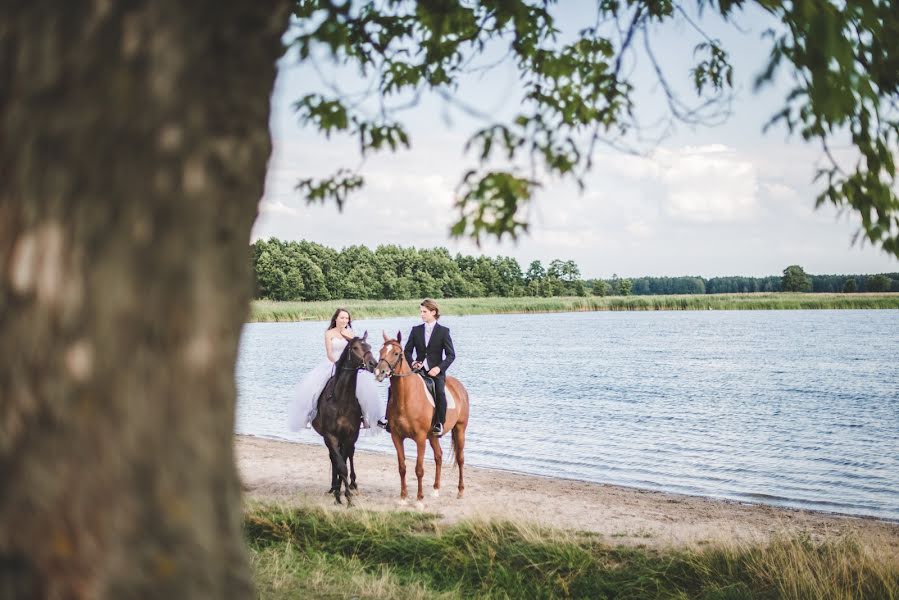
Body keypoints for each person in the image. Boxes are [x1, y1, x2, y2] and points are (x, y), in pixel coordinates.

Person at [287, 308, 382, 434]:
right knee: (317, 388)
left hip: (349, 366)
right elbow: (329, 354)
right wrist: (338, 364)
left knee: (364, 390)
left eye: (347, 318)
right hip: (333, 364)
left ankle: (366, 418)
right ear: (336, 319)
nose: (344, 320)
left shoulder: (351, 333)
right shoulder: (329, 333)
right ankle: (310, 414)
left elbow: (356, 352)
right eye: (342, 317)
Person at [379, 298, 455, 435]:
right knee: (393, 387)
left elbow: (451, 355)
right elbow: (407, 351)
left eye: (424, 312)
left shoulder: (444, 331)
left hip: (435, 371)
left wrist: (439, 368)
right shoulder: (416, 330)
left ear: (433, 312)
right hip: (417, 369)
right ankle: (387, 419)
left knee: (440, 392)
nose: (421, 314)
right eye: (421, 311)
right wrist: (413, 362)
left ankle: (439, 423)